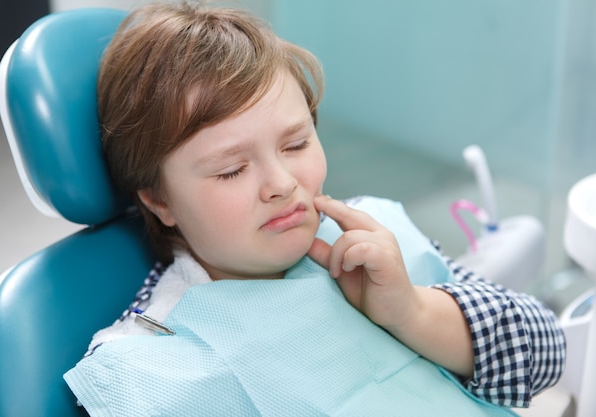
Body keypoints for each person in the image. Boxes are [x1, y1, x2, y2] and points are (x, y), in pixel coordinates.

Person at [64, 2, 565, 415]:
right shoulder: (148, 367)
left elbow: (547, 356)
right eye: (231, 170)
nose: (282, 184)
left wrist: (412, 312)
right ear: (159, 199)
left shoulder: (376, 237)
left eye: (296, 144)